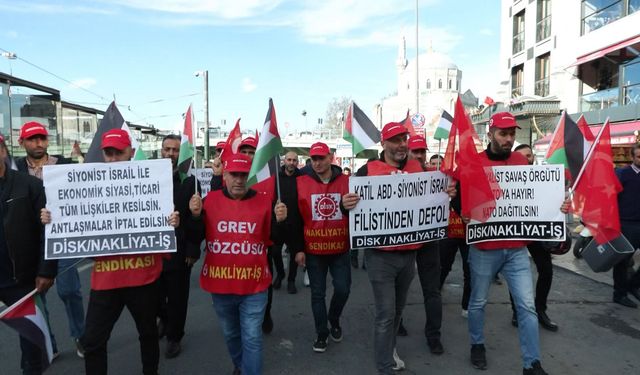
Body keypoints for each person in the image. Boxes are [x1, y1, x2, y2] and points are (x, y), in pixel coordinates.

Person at [41, 128, 181, 375]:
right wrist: (53, 218)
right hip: (106, 278)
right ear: (103, 155)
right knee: (93, 341)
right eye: (109, 153)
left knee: (148, 335)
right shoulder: (91, 185)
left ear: (131, 152)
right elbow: (72, 219)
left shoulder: (151, 181)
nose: (114, 158)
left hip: (143, 277)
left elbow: (163, 220)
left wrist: (171, 221)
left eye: (119, 152)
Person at [463, 112, 569, 375]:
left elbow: (534, 197)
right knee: (477, 302)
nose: (509, 138)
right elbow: (462, 201)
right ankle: (477, 344)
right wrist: (464, 211)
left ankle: (531, 363)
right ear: (490, 134)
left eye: (512, 133)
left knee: (527, 306)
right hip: (484, 249)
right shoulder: (474, 163)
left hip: (516, 250)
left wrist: (561, 205)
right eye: (503, 133)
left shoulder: (522, 161)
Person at [191, 153, 287, 375]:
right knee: (231, 335)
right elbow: (196, 238)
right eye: (234, 174)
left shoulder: (264, 202)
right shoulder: (210, 200)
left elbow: (273, 240)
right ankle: (241, 365)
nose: (239, 180)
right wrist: (195, 216)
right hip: (220, 285)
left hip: (254, 286)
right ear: (224, 175)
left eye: (243, 175)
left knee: (252, 338)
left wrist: (281, 223)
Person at [349, 121, 427, 374]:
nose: (402, 144)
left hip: (409, 255)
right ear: (383, 144)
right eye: (395, 140)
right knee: (386, 313)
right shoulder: (366, 171)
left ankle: (389, 348)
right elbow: (349, 207)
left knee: (398, 310)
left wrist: (446, 192)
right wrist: (345, 204)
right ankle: (384, 365)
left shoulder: (418, 169)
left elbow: (432, 199)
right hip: (380, 257)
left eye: (404, 138)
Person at [16, 121, 85, 358]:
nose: (38, 143)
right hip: (31, 244)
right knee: (37, 297)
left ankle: (80, 336)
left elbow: (82, 196)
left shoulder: (63, 165)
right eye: (32, 139)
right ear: (22, 142)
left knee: (70, 291)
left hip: (62, 239)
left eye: (42, 138)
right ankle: (48, 344)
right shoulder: (14, 169)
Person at [0, 133, 56, 374]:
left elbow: (47, 231)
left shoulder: (29, 185)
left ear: (3, 151)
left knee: (32, 344)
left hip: (20, 279)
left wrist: (46, 270)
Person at [290, 142, 351, 353]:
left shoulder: (348, 182)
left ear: (331, 157)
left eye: (321, 158)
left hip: (341, 248)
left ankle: (333, 318)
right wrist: (298, 249)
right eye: (314, 158)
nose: (317, 162)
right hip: (314, 250)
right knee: (318, 294)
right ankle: (321, 333)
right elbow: (296, 219)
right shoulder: (301, 183)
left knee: (343, 289)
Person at [156, 135, 203, 358]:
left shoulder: (191, 183)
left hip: (179, 250)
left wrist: (193, 249)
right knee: (154, 297)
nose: (171, 154)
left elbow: (199, 220)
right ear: (161, 150)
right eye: (167, 149)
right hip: (152, 251)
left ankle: (174, 336)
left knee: (177, 298)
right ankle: (164, 320)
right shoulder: (148, 179)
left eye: (176, 150)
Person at [509, 144, 558, 331]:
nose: (526, 159)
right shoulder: (507, 179)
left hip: (537, 231)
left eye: (529, 155)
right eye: (521, 156)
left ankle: (540, 309)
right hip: (515, 232)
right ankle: (517, 311)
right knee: (515, 272)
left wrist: (563, 206)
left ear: (533, 158)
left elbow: (554, 203)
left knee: (546, 270)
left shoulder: (545, 179)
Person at [406, 135, 444, 354]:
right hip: (401, 243)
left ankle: (434, 335)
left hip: (429, 241)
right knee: (397, 290)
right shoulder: (394, 176)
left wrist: (449, 193)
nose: (420, 155)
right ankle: (397, 323)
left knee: (432, 291)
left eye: (423, 151)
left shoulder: (436, 176)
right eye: (416, 151)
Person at [270, 151, 303, 294]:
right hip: (278, 222)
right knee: (275, 251)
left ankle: (291, 280)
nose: (291, 162)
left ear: (297, 162)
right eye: (289, 159)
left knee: (295, 254)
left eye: (294, 160)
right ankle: (280, 273)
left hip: (295, 222)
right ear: (284, 161)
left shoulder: (302, 178)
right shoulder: (276, 177)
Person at [612, 143, 640, 308]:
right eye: (639, 156)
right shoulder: (623, 173)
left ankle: (633, 284)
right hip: (626, 223)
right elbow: (610, 195)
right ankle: (619, 294)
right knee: (622, 261)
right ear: (632, 157)